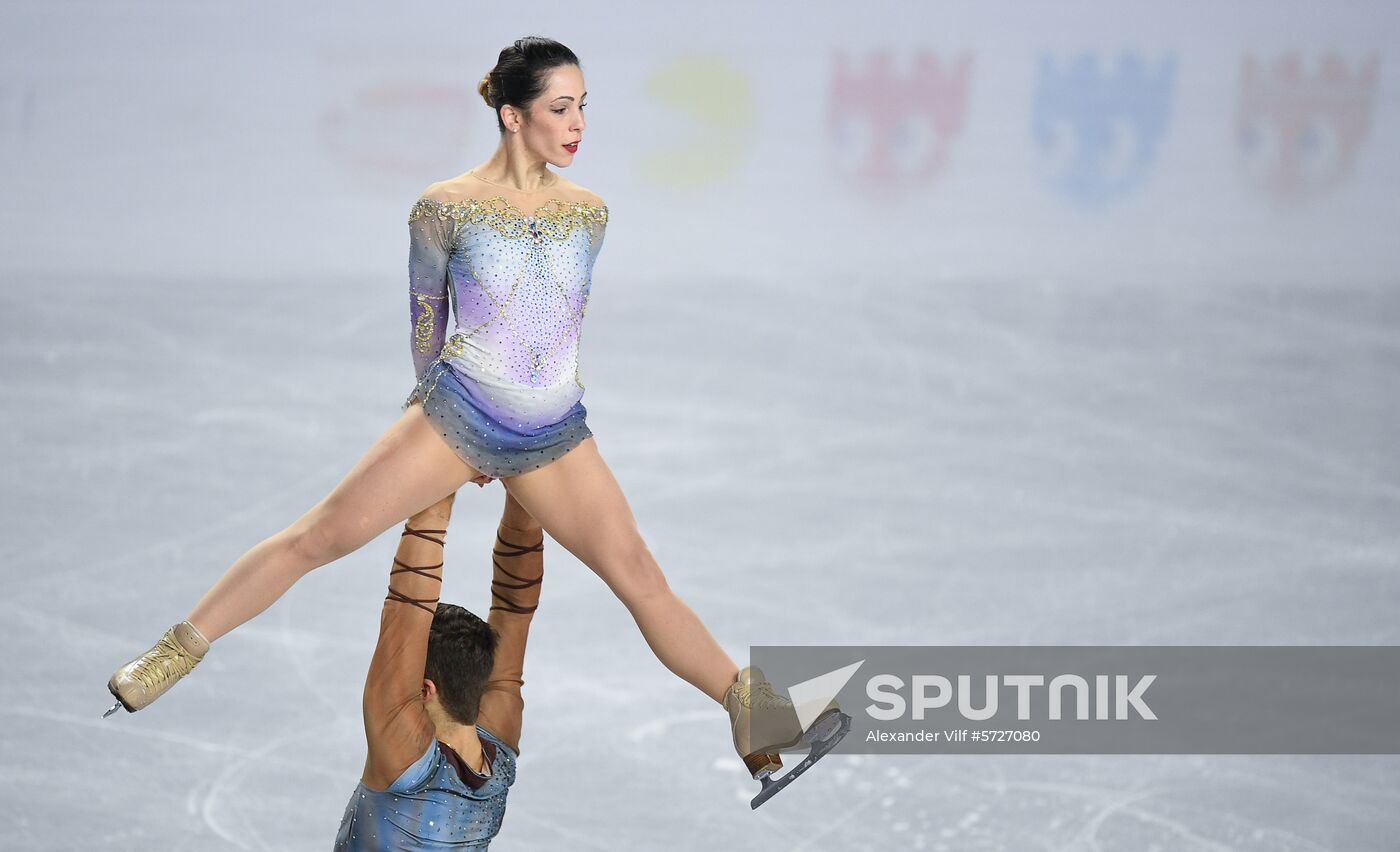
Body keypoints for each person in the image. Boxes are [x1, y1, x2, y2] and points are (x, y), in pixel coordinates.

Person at [105, 35, 843, 801]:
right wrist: (439, 434)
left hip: (552, 432)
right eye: (560, 107)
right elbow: (426, 324)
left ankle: (752, 713)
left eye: (583, 106)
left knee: (641, 578)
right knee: (319, 536)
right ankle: (171, 655)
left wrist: (540, 425)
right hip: (458, 413)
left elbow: (562, 327)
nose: (577, 122)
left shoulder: (590, 212)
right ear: (512, 114)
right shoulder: (444, 206)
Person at [334, 490, 540, 849]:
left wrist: (442, 464)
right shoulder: (499, 754)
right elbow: (514, 603)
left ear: (426, 689)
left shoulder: (405, 755)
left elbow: (407, 605)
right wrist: (526, 481)